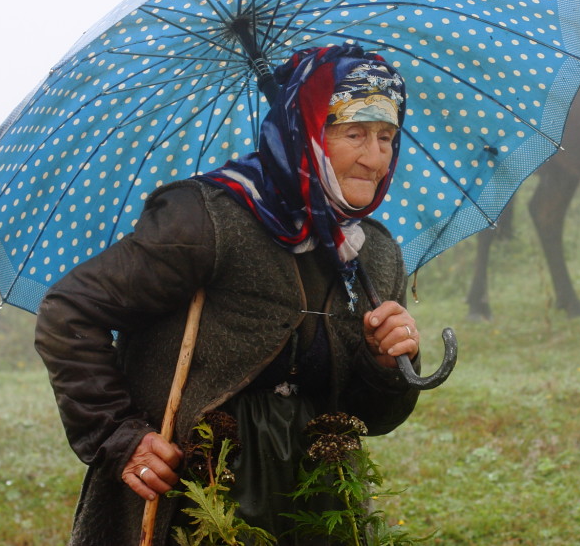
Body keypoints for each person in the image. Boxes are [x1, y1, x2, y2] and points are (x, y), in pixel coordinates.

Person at [35, 44, 422, 545]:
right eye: (355, 134)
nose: (375, 158)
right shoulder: (206, 219)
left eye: (387, 137)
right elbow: (68, 313)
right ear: (306, 132)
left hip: (315, 507)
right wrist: (119, 437)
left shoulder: (374, 254)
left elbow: (372, 418)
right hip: (193, 500)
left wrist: (388, 366)